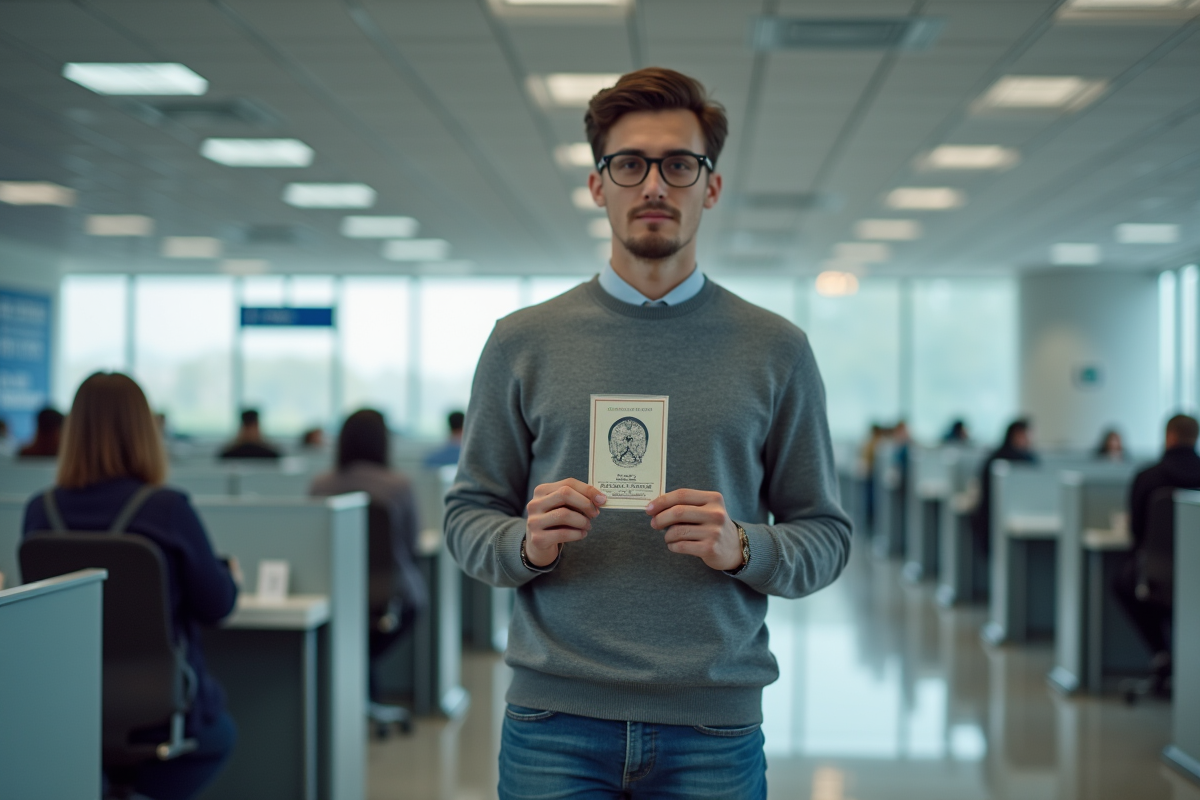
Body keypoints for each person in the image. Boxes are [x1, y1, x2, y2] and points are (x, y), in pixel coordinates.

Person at [443, 67, 851, 799]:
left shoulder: (776, 349)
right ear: (598, 185)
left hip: (713, 724)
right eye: (629, 164)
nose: (655, 185)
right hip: (554, 717)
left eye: (679, 165)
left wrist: (744, 546)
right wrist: (525, 544)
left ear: (710, 187)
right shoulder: (521, 342)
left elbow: (827, 535)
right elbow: (467, 516)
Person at [21, 372, 238, 799]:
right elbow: (218, 606)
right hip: (158, 711)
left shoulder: (39, 511)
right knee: (220, 734)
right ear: (145, 432)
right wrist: (228, 574)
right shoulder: (167, 509)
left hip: (67, 708)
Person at [309, 409, 426, 702]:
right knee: (368, 644)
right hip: (390, 597)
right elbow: (412, 545)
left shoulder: (321, 485)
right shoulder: (398, 486)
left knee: (354, 644)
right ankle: (362, 693)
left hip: (334, 595)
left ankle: (354, 694)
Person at [1113, 414, 1200, 691]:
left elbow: (1137, 533)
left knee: (1124, 583)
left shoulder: (1147, 477)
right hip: (1197, 572)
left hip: (1158, 573)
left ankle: (1162, 653)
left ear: (1169, 437)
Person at [970, 418, 1037, 557]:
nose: (1030, 440)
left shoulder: (997, 456)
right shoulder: (1005, 461)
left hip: (1001, 516)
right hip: (993, 518)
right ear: (1017, 435)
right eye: (1027, 435)